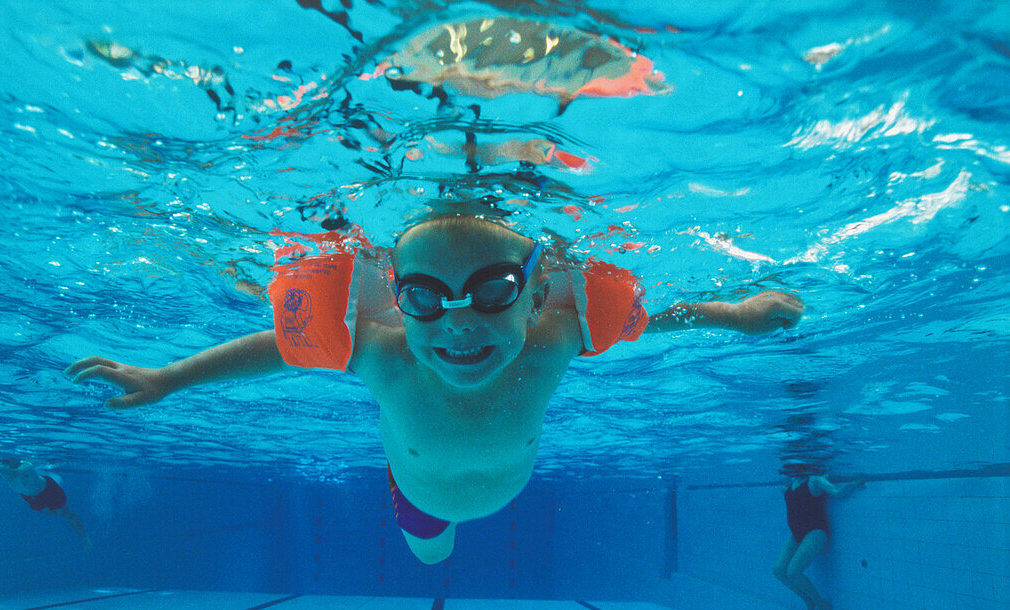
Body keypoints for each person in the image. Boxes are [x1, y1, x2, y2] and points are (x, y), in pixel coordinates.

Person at [66, 214, 804, 564]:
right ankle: (419, 520)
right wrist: (168, 377)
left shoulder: (552, 342)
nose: (458, 325)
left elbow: (649, 320)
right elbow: (284, 347)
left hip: (491, 484)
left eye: (492, 290)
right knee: (433, 557)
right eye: (422, 297)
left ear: (536, 292)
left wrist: (735, 315)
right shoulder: (385, 357)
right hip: (417, 499)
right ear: (397, 297)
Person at [773, 472, 864, 610]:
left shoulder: (815, 480)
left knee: (794, 572)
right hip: (797, 533)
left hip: (816, 530)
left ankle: (822, 604)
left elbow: (837, 491)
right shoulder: (791, 483)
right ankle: (808, 600)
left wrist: (854, 483)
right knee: (779, 571)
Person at [0, 457, 93, 550]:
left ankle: (84, 537)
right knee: (50, 513)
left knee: (65, 513)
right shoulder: (2, 469)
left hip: (47, 489)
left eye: (7, 461)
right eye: (4, 462)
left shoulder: (25, 465)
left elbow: (14, 473)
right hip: (28, 494)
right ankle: (52, 507)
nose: (5, 463)